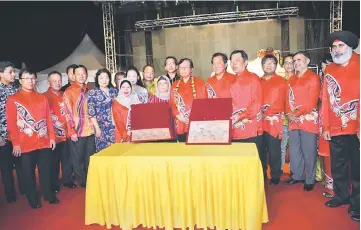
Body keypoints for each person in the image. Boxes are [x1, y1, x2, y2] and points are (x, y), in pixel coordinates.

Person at [6, 68, 59, 209]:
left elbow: (48, 119)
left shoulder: (42, 98)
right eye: (26, 78)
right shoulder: (13, 99)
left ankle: (48, 194)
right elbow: (11, 123)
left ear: (35, 80)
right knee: (28, 173)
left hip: (43, 141)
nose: (30, 81)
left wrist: (52, 137)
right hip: (25, 144)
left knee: (46, 170)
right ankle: (32, 199)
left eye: (32, 78)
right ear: (20, 81)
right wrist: (15, 143)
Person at [322, 31, 360, 222]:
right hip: (336, 127)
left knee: (358, 169)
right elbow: (325, 99)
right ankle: (341, 196)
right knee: (338, 165)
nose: (337, 50)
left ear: (350, 47)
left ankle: (358, 204)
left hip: (357, 127)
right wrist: (326, 126)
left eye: (341, 46)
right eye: (334, 47)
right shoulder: (329, 69)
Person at [284, 51, 320, 192]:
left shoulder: (313, 78)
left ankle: (310, 178)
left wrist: (296, 113)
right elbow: (287, 99)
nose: (296, 62)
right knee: (294, 150)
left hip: (308, 119)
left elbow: (312, 102)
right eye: (294, 60)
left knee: (309, 150)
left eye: (299, 59)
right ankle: (297, 175)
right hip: (293, 120)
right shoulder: (291, 79)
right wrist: (289, 113)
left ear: (307, 61)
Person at [229, 50, 264, 176]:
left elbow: (257, 103)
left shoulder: (253, 79)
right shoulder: (232, 80)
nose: (234, 64)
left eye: (237, 61)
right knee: (239, 166)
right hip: (235, 129)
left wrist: (240, 116)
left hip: (250, 129)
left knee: (253, 166)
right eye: (231, 61)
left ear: (245, 62)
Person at [44, 71, 77, 193]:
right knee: (53, 161)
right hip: (53, 136)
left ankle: (67, 180)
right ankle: (54, 183)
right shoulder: (44, 97)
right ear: (49, 82)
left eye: (59, 80)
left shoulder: (65, 94)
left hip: (66, 133)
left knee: (67, 159)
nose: (57, 83)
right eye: (54, 81)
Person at [63, 65, 95, 188]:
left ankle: (89, 178)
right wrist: (72, 131)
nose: (81, 76)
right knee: (77, 158)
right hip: (78, 130)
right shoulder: (69, 91)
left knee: (89, 157)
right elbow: (67, 112)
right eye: (78, 74)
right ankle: (82, 181)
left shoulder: (89, 89)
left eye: (83, 73)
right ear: (74, 76)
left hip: (90, 129)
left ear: (86, 75)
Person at [260, 54, 287, 185]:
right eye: (266, 63)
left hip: (274, 121)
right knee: (260, 148)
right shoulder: (258, 81)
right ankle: (262, 172)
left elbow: (285, 101)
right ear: (262, 66)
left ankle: (276, 174)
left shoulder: (282, 82)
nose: (269, 65)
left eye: (272, 63)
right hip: (259, 120)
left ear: (276, 66)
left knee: (274, 148)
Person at [0, 61, 24, 203]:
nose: (14, 74)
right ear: (1, 73)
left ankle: (24, 188)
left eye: (14, 72)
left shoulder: (16, 88)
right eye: (10, 72)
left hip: (19, 133)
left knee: (22, 163)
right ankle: (10, 194)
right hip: (4, 135)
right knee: (6, 167)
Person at [170, 58, 207, 142]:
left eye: (185, 67)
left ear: (191, 69)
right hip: (180, 121)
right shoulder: (174, 85)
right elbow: (172, 103)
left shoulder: (200, 83)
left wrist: (193, 117)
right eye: (180, 68)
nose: (182, 70)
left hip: (196, 121)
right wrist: (179, 117)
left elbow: (204, 103)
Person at [88, 68, 118, 152]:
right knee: (104, 153)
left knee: (116, 151)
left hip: (115, 127)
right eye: (101, 78)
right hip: (101, 128)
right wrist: (97, 128)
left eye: (106, 77)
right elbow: (91, 113)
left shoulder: (114, 92)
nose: (104, 80)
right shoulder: (93, 93)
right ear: (97, 79)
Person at [318, 53, 334, 198]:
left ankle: (337, 187)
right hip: (322, 122)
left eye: (328, 64)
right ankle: (330, 186)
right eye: (323, 65)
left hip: (334, 123)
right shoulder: (321, 81)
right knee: (326, 154)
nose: (325, 68)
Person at [281, 54, 294, 172]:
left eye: (291, 62)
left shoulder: (299, 79)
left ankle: (294, 171)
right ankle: (279, 170)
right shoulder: (280, 80)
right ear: (283, 65)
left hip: (297, 118)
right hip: (283, 119)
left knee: (295, 147)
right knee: (282, 146)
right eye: (286, 62)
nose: (289, 65)